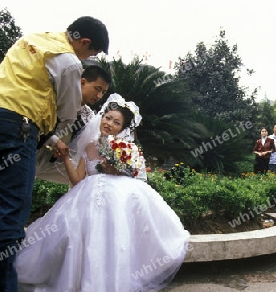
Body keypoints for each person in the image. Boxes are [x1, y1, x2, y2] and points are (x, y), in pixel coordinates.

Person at [15, 94, 190, 291]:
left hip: (118, 195)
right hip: (86, 195)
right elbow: (77, 180)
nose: (109, 124)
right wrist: (65, 158)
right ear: (102, 117)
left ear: (122, 129)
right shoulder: (88, 146)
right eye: (108, 118)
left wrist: (119, 169)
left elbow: (139, 176)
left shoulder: (127, 149)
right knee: (70, 228)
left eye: (116, 122)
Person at [0, 16, 109, 291]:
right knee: (11, 215)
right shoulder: (69, 61)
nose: (87, 58)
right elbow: (67, 111)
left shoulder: (32, 40)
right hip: (19, 130)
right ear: (84, 42)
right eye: (91, 53)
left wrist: (50, 139)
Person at [35, 65, 111, 184]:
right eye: (97, 89)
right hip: (31, 150)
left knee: (90, 176)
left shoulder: (88, 116)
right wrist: (56, 141)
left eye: (103, 92)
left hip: (55, 162)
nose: (100, 95)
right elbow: (37, 124)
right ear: (82, 82)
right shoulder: (57, 100)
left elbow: (97, 138)